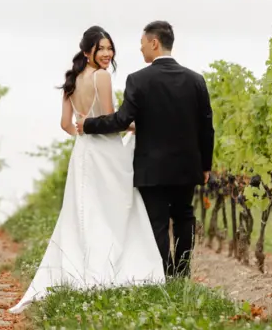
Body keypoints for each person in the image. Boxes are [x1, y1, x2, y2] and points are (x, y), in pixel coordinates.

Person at [8, 26, 164, 314]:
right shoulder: (101, 77)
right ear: (86, 52)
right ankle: (111, 270)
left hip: (83, 152)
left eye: (109, 48)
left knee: (84, 210)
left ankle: (80, 269)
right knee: (116, 208)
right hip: (106, 151)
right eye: (101, 48)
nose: (107, 54)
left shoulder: (71, 82)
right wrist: (140, 125)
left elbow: (66, 125)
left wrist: (83, 134)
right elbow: (110, 120)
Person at [76, 20, 214, 278]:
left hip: (152, 167)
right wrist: (205, 165)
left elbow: (121, 120)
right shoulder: (196, 80)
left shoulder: (138, 80)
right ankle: (181, 275)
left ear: (154, 43)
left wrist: (88, 124)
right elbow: (207, 127)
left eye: (142, 44)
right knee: (185, 217)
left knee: (157, 223)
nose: (141, 50)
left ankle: (164, 275)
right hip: (187, 166)